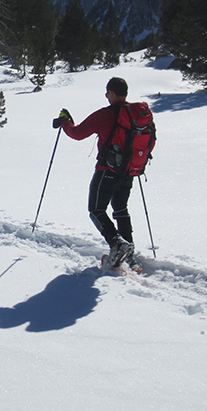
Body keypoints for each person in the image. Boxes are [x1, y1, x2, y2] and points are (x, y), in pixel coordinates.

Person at [55, 76, 141, 271]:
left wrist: (64, 122)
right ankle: (129, 255)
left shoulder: (105, 114)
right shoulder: (135, 113)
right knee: (120, 209)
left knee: (95, 210)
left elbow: (77, 133)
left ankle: (117, 245)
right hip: (128, 171)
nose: (106, 96)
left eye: (107, 93)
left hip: (107, 170)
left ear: (111, 93)